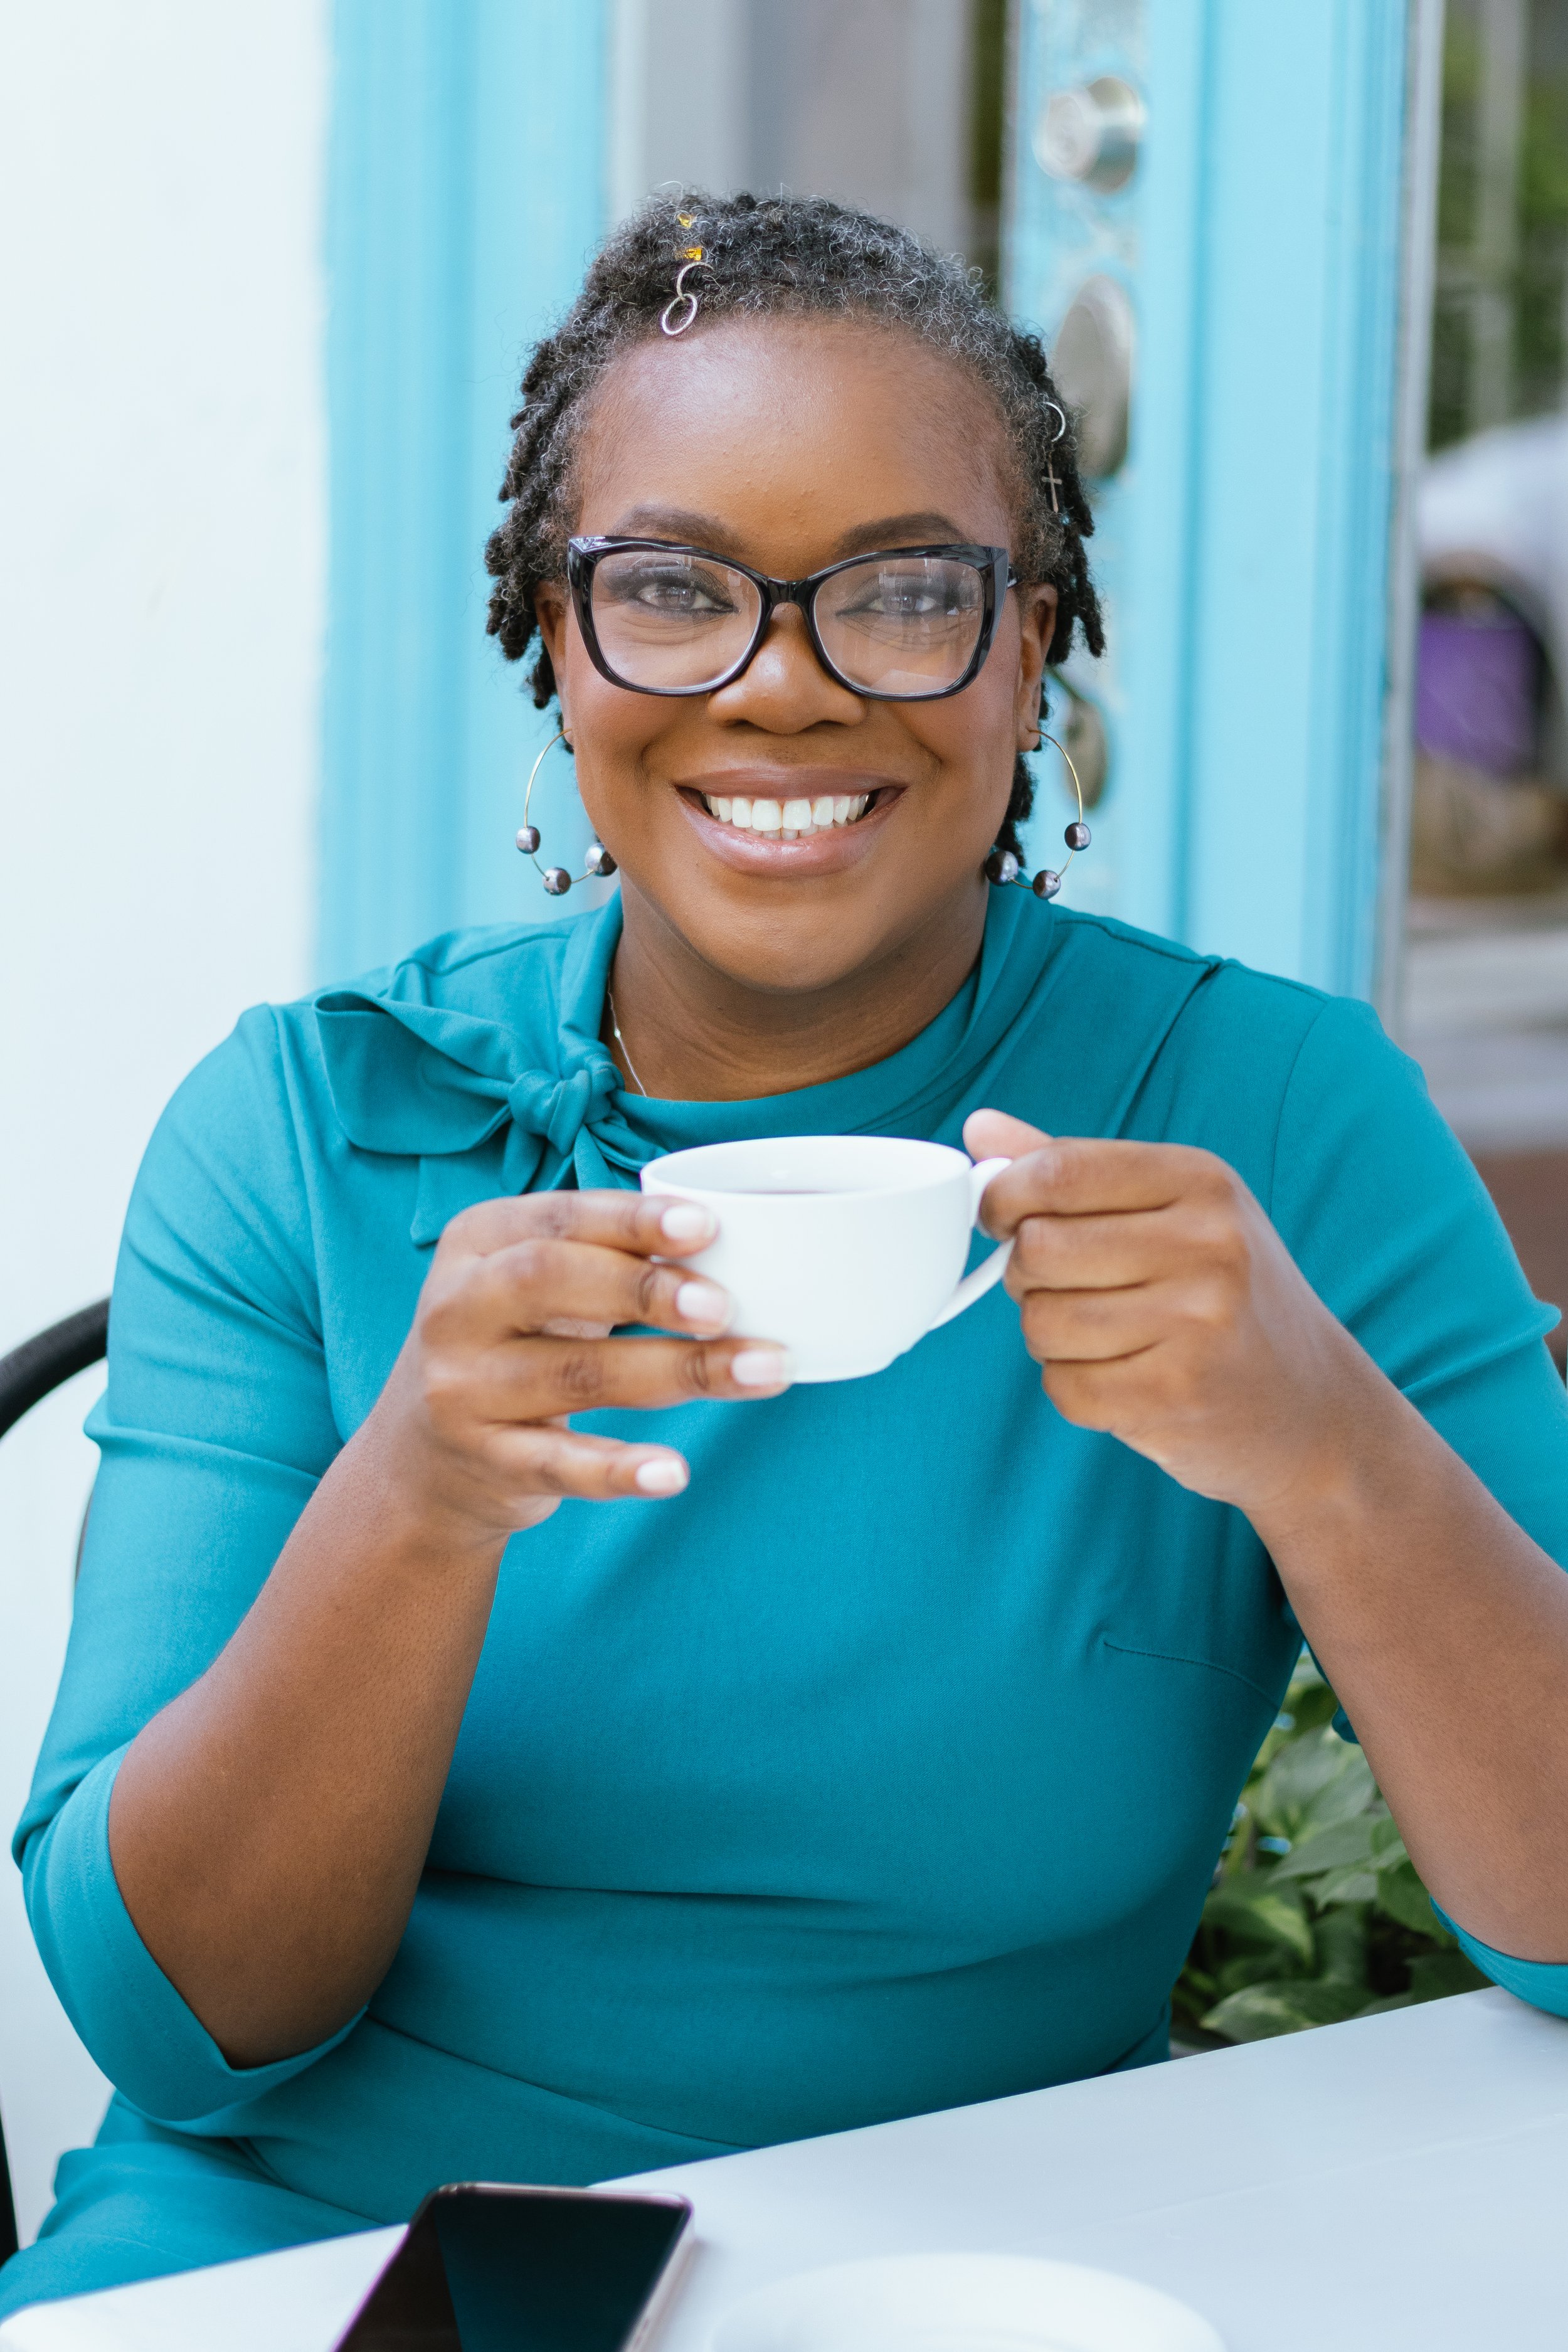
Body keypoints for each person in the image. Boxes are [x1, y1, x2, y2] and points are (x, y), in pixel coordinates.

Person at [7, 192, 1568, 2319]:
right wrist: (416, 1503)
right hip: (328, 2263)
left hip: (997, 2256)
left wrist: (1331, 1459)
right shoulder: (305, 1131)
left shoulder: (1267, 1120)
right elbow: (181, 2023)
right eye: (669, 592)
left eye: (905, 594)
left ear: (1030, 649)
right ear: (559, 646)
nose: (782, 689)